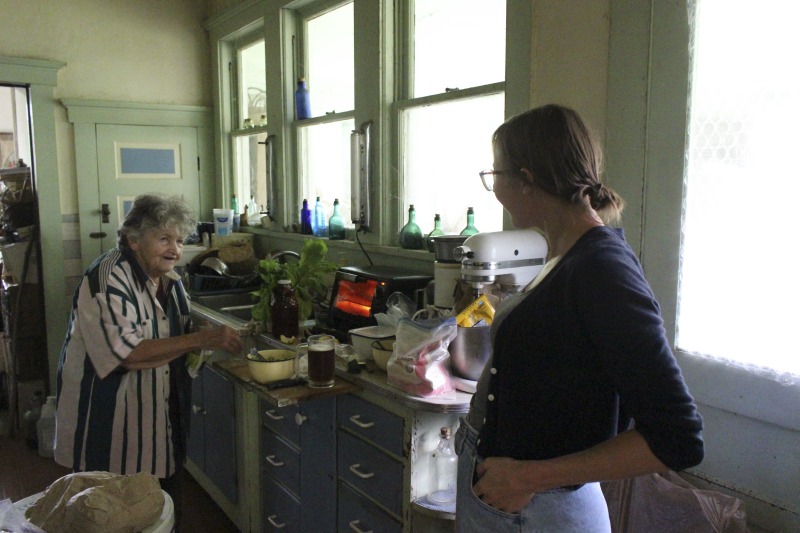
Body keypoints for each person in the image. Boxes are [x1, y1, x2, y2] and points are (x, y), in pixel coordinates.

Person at [456, 105, 704, 531]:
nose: (494, 189)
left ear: (528, 180)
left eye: (496, 176)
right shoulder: (563, 255)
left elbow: (678, 437)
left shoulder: (603, 269)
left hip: (537, 509)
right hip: (506, 496)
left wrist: (525, 477)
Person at [54, 194, 243, 527]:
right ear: (134, 239)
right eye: (164, 238)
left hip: (158, 420)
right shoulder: (108, 277)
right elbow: (128, 354)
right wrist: (203, 338)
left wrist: (198, 336)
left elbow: (177, 333)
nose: (175, 249)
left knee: (162, 511)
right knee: (104, 516)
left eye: (180, 241)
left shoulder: (170, 282)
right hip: (107, 420)